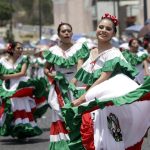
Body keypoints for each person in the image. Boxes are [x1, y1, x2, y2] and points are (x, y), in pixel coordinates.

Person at [62, 13, 150, 150]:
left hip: (105, 104)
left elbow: (103, 78)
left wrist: (80, 100)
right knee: (92, 138)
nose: (103, 30)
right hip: (91, 101)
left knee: (107, 140)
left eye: (108, 29)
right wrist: (71, 86)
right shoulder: (91, 52)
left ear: (114, 33)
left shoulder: (114, 53)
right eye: (101, 27)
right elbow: (80, 76)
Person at [43, 22, 92, 149]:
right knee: (60, 114)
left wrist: (73, 83)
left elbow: (80, 68)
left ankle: (78, 144)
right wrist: (53, 75)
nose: (66, 33)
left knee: (76, 113)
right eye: (63, 31)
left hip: (75, 83)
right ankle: (63, 145)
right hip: (59, 85)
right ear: (59, 34)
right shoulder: (53, 51)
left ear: (72, 33)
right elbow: (46, 69)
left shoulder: (78, 48)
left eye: (69, 31)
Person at [0, 41, 43, 139]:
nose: (21, 50)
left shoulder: (24, 59)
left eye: (21, 48)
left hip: (21, 86)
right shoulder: (2, 61)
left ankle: (23, 131)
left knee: (22, 107)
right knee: (11, 108)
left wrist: (5, 76)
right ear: (11, 49)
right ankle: (16, 130)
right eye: (18, 48)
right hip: (9, 88)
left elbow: (22, 73)